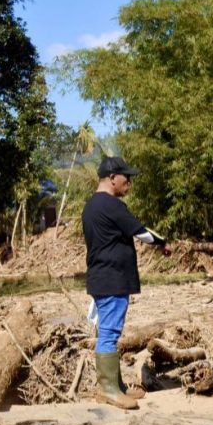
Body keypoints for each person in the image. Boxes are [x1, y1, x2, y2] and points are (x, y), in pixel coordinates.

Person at [82, 156, 169, 409]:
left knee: (107, 331)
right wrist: (163, 243)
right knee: (109, 333)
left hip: (101, 277)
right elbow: (141, 232)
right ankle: (108, 389)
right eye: (126, 177)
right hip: (112, 280)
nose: (129, 182)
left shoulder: (90, 206)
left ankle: (116, 386)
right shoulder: (112, 205)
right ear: (112, 179)